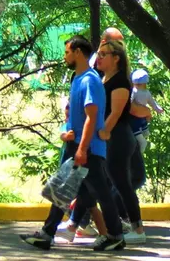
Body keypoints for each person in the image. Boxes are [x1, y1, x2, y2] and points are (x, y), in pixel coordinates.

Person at [20, 35, 125, 252]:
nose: (65, 56)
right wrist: (66, 132)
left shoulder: (89, 80)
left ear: (78, 53)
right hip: (76, 145)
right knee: (63, 190)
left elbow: (91, 117)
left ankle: (115, 236)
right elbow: (75, 116)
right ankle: (47, 234)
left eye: (67, 52)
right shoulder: (77, 79)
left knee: (101, 194)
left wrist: (82, 149)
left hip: (88, 150)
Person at [69, 39, 144, 244]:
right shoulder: (103, 78)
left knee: (120, 183)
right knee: (95, 182)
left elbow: (116, 112)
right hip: (108, 138)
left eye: (104, 54)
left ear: (116, 58)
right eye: (98, 54)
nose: (99, 58)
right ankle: (74, 224)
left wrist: (103, 131)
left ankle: (138, 229)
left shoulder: (120, 81)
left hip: (118, 137)